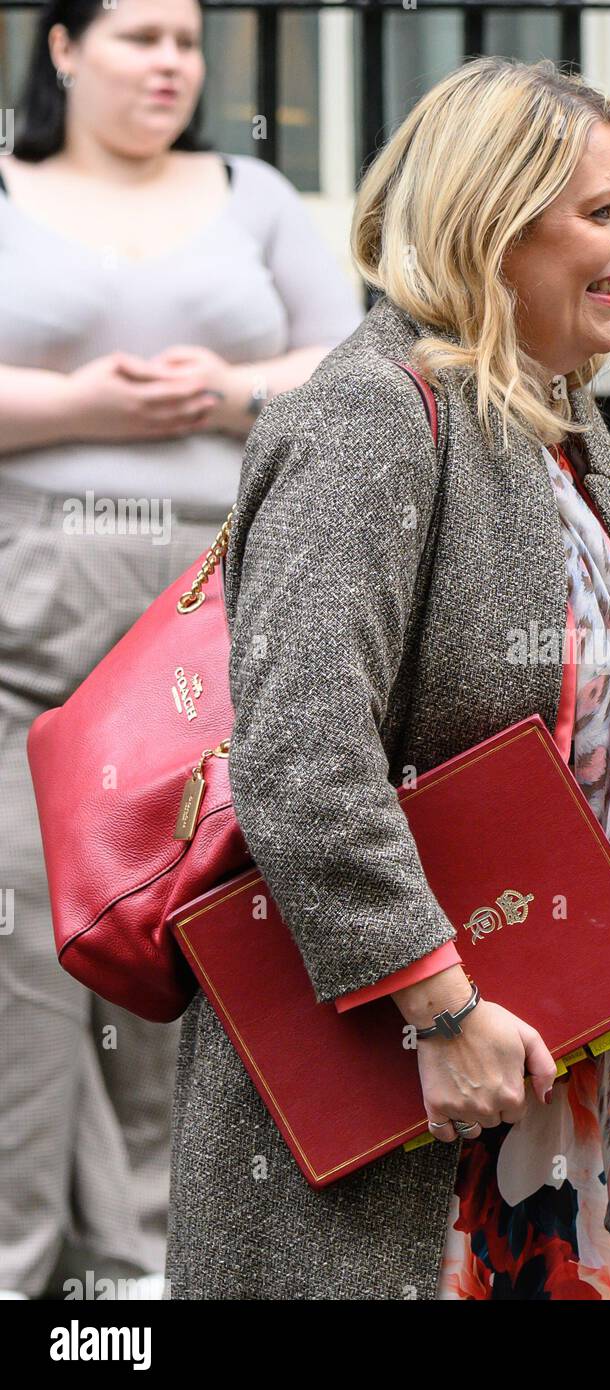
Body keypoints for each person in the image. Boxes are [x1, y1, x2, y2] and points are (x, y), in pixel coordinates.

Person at [164, 55, 610, 1301]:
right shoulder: (370, 416)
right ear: (492, 221)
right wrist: (438, 1008)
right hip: (450, 1133)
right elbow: (304, 752)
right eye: (603, 212)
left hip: (602, 1112)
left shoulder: (561, 426)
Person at [0, 0, 361, 1299]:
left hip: (219, 610)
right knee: (35, 944)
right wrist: (83, 404)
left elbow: (354, 361)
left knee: (194, 925)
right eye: (140, 35)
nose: (171, 64)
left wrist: (227, 391)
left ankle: (154, 1266)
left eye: (187, 41)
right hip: (26, 617)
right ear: (60, 46)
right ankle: (25, 1266)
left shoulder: (250, 190)